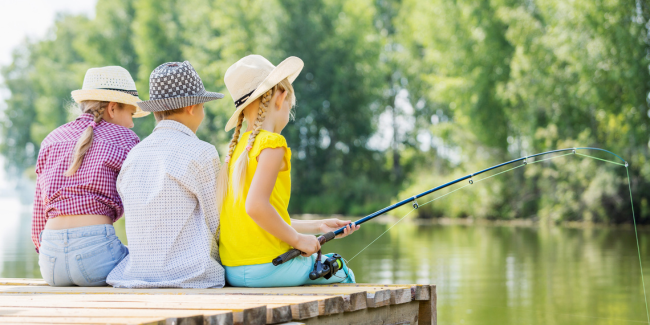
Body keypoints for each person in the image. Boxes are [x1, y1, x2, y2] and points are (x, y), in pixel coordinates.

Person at [217, 55, 360, 287]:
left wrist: (317, 226)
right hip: (268, 268)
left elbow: (264, 217)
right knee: (343, 273)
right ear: (281, 97)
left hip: (233, 270)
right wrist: (298, 241)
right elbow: (256, 207)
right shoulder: (272, 144)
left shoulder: (237, 150)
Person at [106, 61, 225, 288]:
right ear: (192, 107)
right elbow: (217, 222)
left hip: (137, 275)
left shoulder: (134, 155)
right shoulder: (202, 152)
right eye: (203, 105)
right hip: (192, 276)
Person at [33, 66, 149, 286]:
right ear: (113, 108)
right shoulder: (126, 138)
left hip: (50, 263)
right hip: (97, 257)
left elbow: (38, 215)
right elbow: (142, 206)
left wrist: (48, 254)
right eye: (131, 114)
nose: (132, 123)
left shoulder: (51, 139)